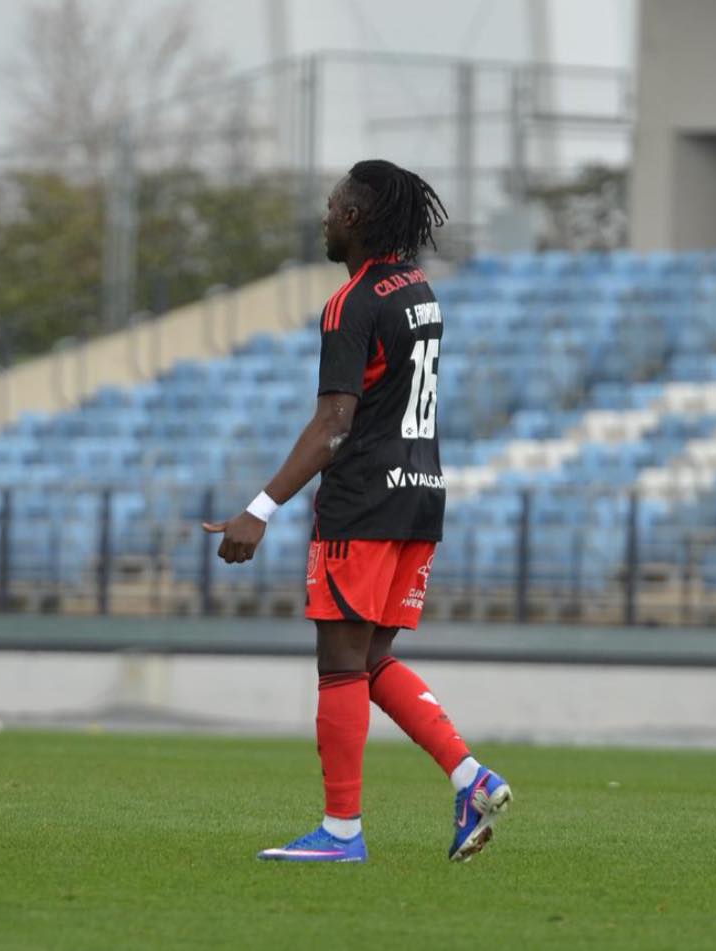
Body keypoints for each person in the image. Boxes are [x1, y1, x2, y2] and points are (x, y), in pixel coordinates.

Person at [203, 159, 511, 863]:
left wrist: (260, 507)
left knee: (340, 663)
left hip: (365, 499)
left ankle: (341, 831)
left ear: (354, 218)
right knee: (371, 658)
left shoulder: (353, 302)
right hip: (419, 492)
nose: (324, 216)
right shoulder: (419, 289)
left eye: (332, 205)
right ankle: (469, 777)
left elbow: (334, 425)